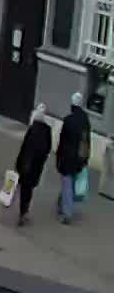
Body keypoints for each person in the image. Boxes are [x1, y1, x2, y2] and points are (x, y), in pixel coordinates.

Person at [13, 107, 53, 227]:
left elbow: (24, 148)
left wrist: (18, 163)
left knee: (24, 189)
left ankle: (23, 212)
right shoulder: (47, 131)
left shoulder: (32, 129)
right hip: (37, 166)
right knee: (29, 189)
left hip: (26, 165)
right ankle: (25, 210)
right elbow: (48, 149)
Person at [57, 92, 90, 224]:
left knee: (67, 184)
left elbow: (62, 141)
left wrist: (58, 157)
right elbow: (87, 141)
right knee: (69, 184)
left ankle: (67, 214)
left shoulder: (68, 120)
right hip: (80, 159)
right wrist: (86, 158)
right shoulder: (85, 121)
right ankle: (61, 205)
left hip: (67, 158)